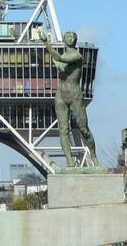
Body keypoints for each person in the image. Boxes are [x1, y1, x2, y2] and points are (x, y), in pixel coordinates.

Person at [40, 28, 100, 168]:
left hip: (74, 95)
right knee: (63, 130)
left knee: (83, 128)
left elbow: (60, 58)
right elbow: (58, 59)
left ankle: (94, 157)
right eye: (67, 36)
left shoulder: (77, 55)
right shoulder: (61, 56)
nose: (69, 38)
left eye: (72, 36)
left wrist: (46, 42)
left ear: (75, 40)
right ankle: (69, 161)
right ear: (64, 39)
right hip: (61, 94)